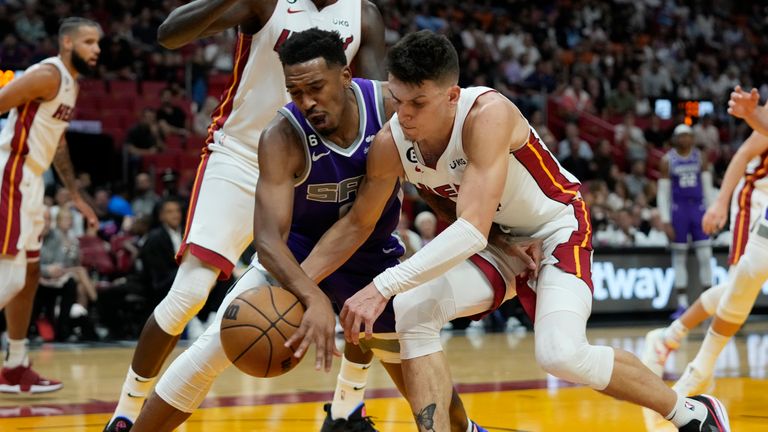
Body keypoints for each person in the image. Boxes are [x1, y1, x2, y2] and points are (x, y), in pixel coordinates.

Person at [302, 31, 729, 431]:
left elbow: (468, 228)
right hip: (495, 239)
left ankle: (691, 413)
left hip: (553, 228)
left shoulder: (487, 114)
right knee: (413, 309)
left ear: (452, 96)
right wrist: (299, 285)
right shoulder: (391, 143)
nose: (405, 115)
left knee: (560, 355)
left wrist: (382, 285)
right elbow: (359, 222)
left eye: (418, 103)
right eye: (397, 100)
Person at [130, 29, 501, 432]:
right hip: (298, 261)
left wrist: (498, 238)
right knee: (212, 348)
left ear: (345, 76)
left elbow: (431, 180)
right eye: (295, 91)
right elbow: (268, 240)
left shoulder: (392, 106)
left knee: (423, 384)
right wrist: (312, 296)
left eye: (316, 87)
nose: (307, 101)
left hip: (372, 261)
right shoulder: (281, 136)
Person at [105, 1, 390, 430]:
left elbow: (376, 104)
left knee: (364, 278)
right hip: (240, 157)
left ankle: (348, 408)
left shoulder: (362, 14)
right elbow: (168, 35)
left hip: (315, 161)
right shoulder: (268, 3)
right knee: (189, 294)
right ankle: (126, 412)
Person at [0, 17, 100, 394]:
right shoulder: (47, 74)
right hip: (11, 173)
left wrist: (73, 192)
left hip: (32, 181)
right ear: (68, 42)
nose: (97, 50)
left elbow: (57, 143)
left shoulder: (70, 85)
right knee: (9, 277)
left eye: (99, 44)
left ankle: (15, 366)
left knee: (28, 275)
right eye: (89, 42)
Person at [642, 95, 768, 386]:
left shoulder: (697, 158)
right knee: (741, 289)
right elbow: (742, 155)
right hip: (756, 198)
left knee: (736, 289)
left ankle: (667, 338)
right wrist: (720, 203)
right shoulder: (669, 160)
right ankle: (690, 361)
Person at [657, 124, 715, 318]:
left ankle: (708, 303)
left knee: (705, 256)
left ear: (692, 138)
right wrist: (665, 220)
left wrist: (712, 211)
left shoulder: (701, 157)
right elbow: (663, 192)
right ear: (675, 139)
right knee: (679, 257)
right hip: (678, 211)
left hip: (698, 209)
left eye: (687, 136)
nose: (684, 139)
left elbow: (707, 187)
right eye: (680, 136)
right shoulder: (667, 160)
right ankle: (682, 305)